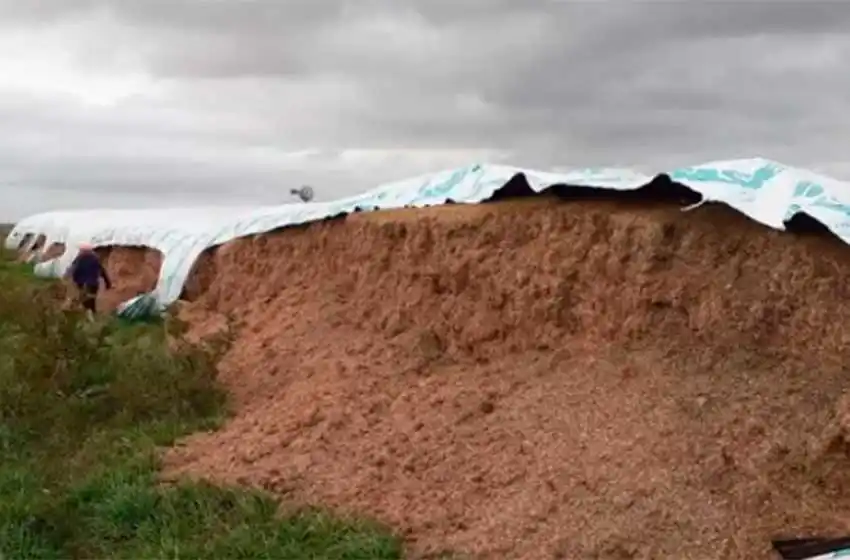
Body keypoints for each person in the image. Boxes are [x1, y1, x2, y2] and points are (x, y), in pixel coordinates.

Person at [66, 243, 112, 320]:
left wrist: (71, 279)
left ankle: (87, 318)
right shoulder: (95, 259)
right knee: (91, 301)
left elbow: (73, 270)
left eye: (81, 250)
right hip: (93, 284)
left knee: (83, 300)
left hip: (81, 283)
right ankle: (91, 317)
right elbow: (102, 272)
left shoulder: (79, 259)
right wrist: (108, 283)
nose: (80, 251)